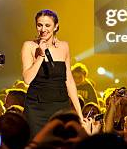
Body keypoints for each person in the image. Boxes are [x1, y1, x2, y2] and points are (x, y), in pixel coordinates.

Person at [21, 9, 83, 137]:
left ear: (56, 26)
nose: (43, 29)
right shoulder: (29, 46)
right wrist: (41, 56)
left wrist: (79, 113)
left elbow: (69, 80)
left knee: (61, 144)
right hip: (36, 108)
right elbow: (27, 79)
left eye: (47, 25)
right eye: (39, 25)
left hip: (60, 105)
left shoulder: (64, 46)